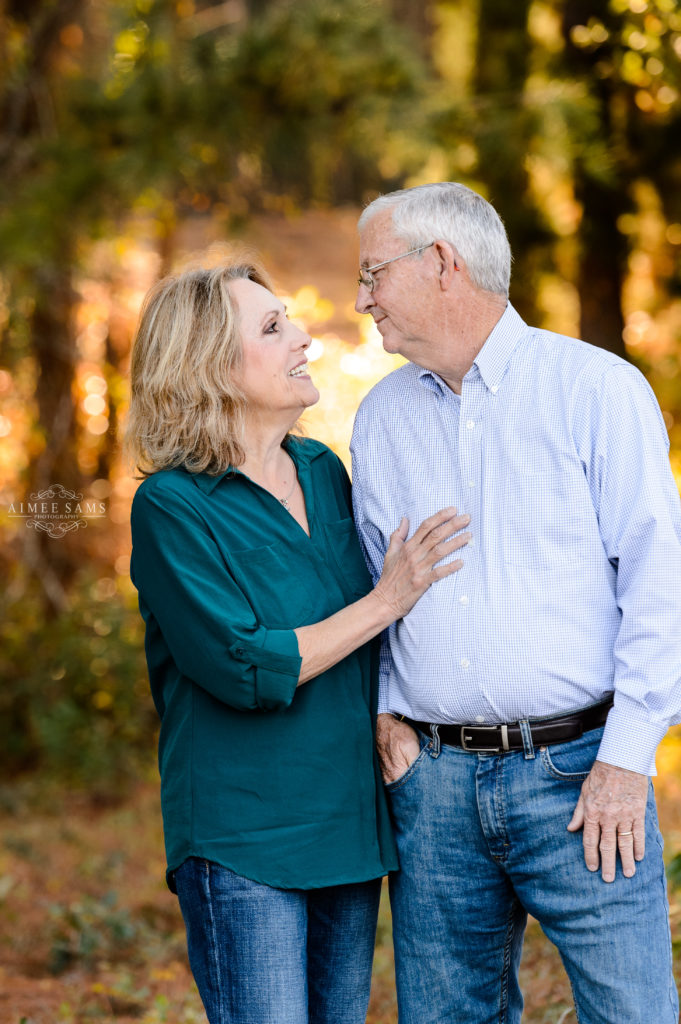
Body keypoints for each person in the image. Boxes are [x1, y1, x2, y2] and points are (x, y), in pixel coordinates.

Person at [350, 182, 681, 1024]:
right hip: (430, 788)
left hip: (579, 778)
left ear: (441, 265)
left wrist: (625, 758)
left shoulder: (594, 389)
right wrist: (385, 708)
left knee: (631, 1014)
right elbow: (373, 586)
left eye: (372, 275)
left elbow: (658, 582)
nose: (361, 300)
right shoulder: (382, 416)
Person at [125, 257, 471, 1024]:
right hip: (243, 836)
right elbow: (245, 666)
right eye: (274, 327)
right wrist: (389, 597)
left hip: (346, 824)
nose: (305, 338)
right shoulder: (171, 506)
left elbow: (362, 644)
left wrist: (389, 709)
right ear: (207, 363)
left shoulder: (322, 470)